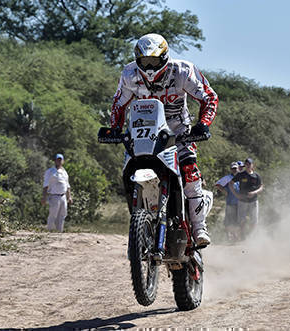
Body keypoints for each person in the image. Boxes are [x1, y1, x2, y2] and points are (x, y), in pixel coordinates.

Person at [110, 33, 218, 247]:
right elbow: (118, 104)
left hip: (179, 134)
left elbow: (209, 97)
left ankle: (199, 227)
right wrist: (114, 128)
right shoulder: (129, 73)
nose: (149, 67)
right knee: (128, 170)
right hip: (144, 136)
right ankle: (142, 221)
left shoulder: (182, 71)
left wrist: (203, 124)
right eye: (144, 61)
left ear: (165, 57)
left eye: (154, 61)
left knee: (190, 172)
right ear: (137, 59)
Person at [229, 158, 263, 238]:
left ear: (252, 165)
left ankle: (252, 236)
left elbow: (261, 186)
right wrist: (236, 194)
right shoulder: (241, 174)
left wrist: (254, 192)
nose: (248, 166)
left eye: (249, 164)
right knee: (241, 220)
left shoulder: (256, 175)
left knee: (254, 220)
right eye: (246, 164)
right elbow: (231, 183)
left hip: (253, 200)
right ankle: (242, 236)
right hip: (242, 200)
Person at [41, 154, 73, 232]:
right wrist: (44, 197)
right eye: (57, 159)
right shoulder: (50, 171)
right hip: (54, 196)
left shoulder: (64, 172)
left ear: (63, 161)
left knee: (62, 215)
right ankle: (49, 231)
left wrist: (69, 197)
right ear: (55, 161)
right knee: (53, 215)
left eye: (60, 159)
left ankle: (59, 232)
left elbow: (67, 186)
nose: (59, 161)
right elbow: (45, 185)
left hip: (63, 196)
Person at [215, 162, 240, 240]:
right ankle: (229, 236)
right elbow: (217, 184)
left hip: (240, 202)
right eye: (232, 168)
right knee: (229, 220)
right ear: (230, 169)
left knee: (237, 220)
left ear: (238, 168)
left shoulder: (241, 177)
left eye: (235, 168)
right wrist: (225, 192)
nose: (234, 170)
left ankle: (235, 236)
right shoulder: (228, 178)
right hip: (230, 202)